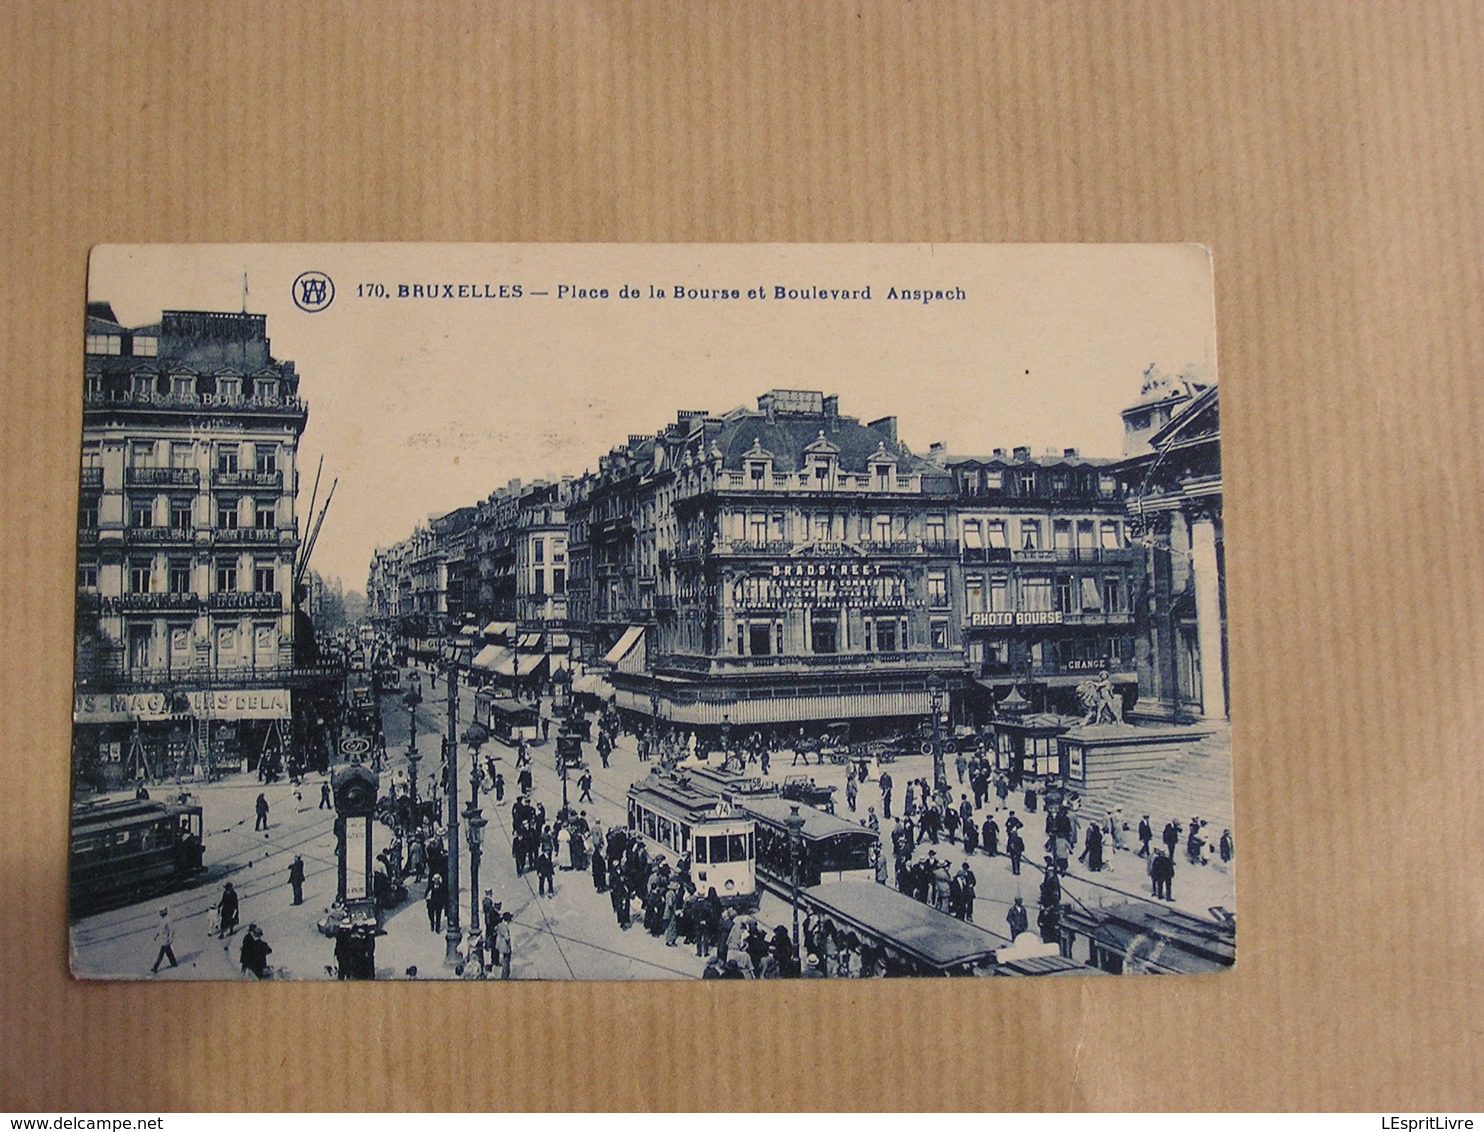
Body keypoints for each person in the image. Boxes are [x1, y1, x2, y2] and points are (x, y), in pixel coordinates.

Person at [150, 907, 178, 974]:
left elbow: (171, 930)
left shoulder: (168, 920)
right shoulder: (162, 920)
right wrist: (156, 936)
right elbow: (159, 929)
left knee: (161, 954)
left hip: (166, 940)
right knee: (169, 952)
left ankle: (155, 967)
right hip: (163, 939)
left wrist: (170, 939)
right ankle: (174, 963)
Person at [493, 912, 513, 979]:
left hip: (500, 946)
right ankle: (505, 976)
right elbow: (507, 937)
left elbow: (496, 930)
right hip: (505, 947)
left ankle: (504, 976)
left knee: (505, 961)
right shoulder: (505, 927)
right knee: (506, 962)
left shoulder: (499, 925)